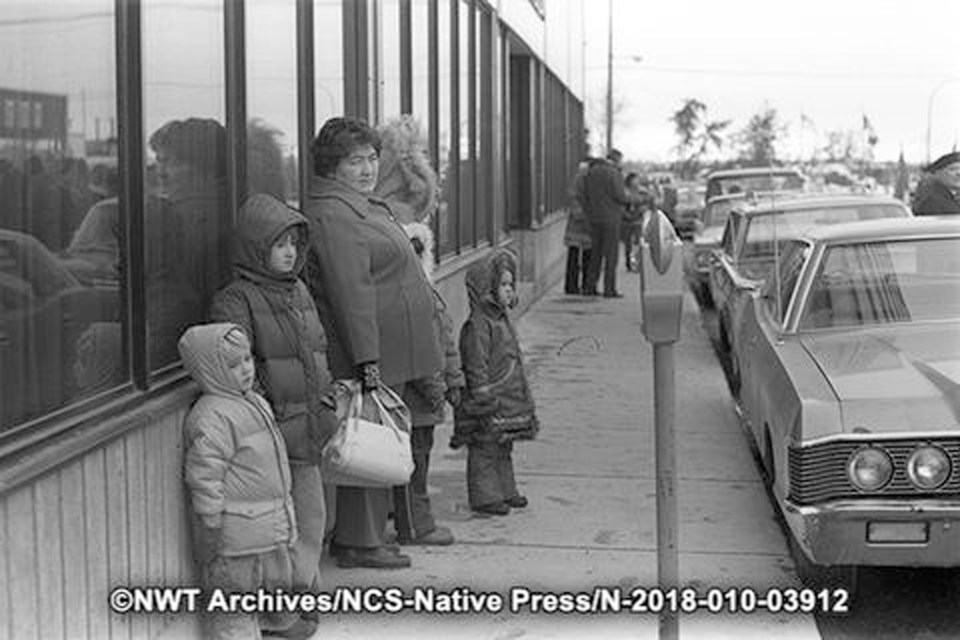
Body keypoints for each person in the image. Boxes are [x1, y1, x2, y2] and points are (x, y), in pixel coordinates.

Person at [302, 116, 444, 569]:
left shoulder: (362, 204)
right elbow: (351, 291)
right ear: (331, 167)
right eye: (353, 161)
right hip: (373, 349)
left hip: (392, 347)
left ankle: (366, 534)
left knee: (382, 439)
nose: (366, 169)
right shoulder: (335, 213)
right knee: (369, 440)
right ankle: (359, 541)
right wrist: (367, 359)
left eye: (371, 159)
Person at [208, 193, 337, 635]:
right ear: (254, 247)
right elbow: (235, 370)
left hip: (308, 429)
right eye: (278, 244)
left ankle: (304, 598)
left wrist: (328, 398)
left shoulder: (298, 289)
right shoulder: (235, 300)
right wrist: (266, 413)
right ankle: (279, 617)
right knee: (276, 535)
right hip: (270, 438)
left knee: (312, 520)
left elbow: (315, 352)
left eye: (294, 244)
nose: (289, 253)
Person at [178, 323, 307, 640]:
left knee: (267, 609)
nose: (245, 370)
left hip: (267, 529)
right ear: (209, 370)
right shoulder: (212, 416)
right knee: (233, 615)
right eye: (233, 365)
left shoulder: (255, 402)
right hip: (235, 536)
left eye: (247, 359)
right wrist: (209, 525)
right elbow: (205, 476)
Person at [451, 249, 539, 516]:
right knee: (485, 448)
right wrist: (481, 394)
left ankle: (506, 489)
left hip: (505, 396)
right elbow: (476, 364)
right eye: (503, 285)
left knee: (503, 446)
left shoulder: (500, 320)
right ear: (486, 288)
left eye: (511, 285)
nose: (509, 291)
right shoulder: (478, 325)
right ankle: (485, 495)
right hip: (488, 398)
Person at [392, 221, 464, 546]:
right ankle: (417, 526)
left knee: (418, 464)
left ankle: (415, 521)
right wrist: (438, 390)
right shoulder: (410, 299)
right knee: (414, 470)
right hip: (416, 403)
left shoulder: (426, 293)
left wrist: (454, 380)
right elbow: (420, 351)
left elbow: (444, 341)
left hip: (425, 402)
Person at [582, 149, 641, 298]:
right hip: (611, 219)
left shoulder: (591, 172)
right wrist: (636, 199)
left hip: (594, 218)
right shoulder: (613, 173)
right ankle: (609, 289)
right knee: (611, 255)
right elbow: (620, 196)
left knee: (595, 254)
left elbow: (585, 195)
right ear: (616, 159)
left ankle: (590, 286)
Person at [562, 159, 593, 294]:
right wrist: (579, 212)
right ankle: (575, 286)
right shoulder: (581, 180)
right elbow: (573, 197)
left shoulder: (581, 180)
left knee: (582, 255)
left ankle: (579, 285)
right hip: (580, 223)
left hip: (583, 223)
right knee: (578, 255)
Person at [912, 151, 960, 215]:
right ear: (937, 173)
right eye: (952, 169)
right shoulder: (933, 201)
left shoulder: (946, 196)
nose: (958, 173)